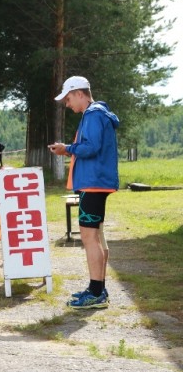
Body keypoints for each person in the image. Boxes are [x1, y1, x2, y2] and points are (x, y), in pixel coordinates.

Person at [49, 76, 119, 309]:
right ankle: (97, 288)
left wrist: (66, 149)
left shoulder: (93, 114)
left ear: (80, 94)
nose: (67, 104)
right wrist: (68, 150)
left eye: (68, 99)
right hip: (95, 182)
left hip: (93, 183)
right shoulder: (98, 114)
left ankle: (97, 292)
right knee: (96, 237)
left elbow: (92, 147)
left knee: (89, 239)